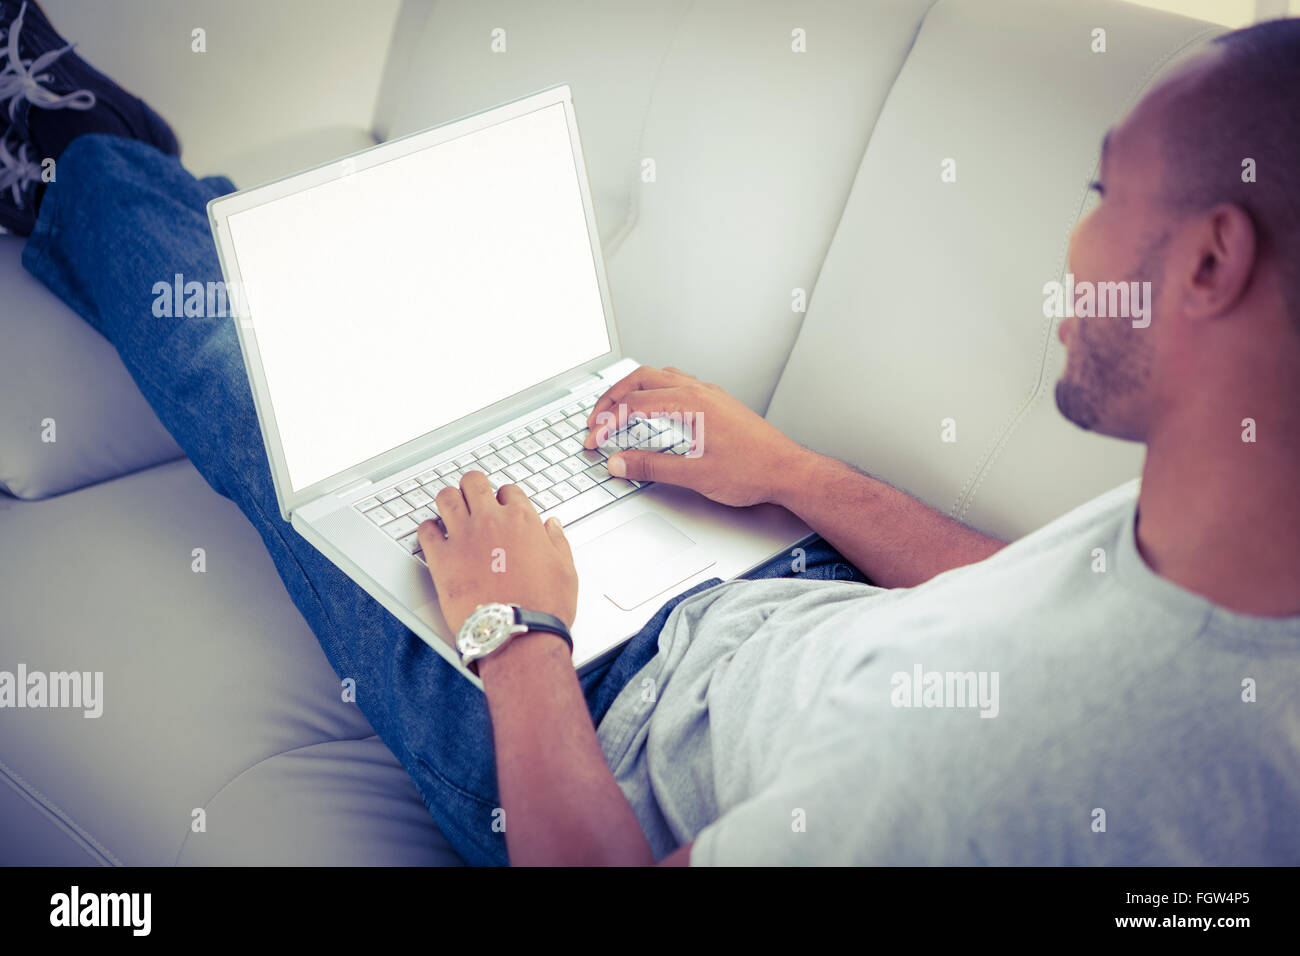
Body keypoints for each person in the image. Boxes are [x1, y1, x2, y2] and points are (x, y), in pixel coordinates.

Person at [4, 0, 1297, 865]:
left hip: (590, 712)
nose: (1074, 244)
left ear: (1209, 264)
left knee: (259, 392)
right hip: (769, 584)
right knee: (452, 367)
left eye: (1100, 192)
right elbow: (1031, 601)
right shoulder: (1229, 522)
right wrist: (793, 474)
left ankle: (71, 157)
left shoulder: (998, 776)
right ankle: (144, 192)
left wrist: (518, 630)